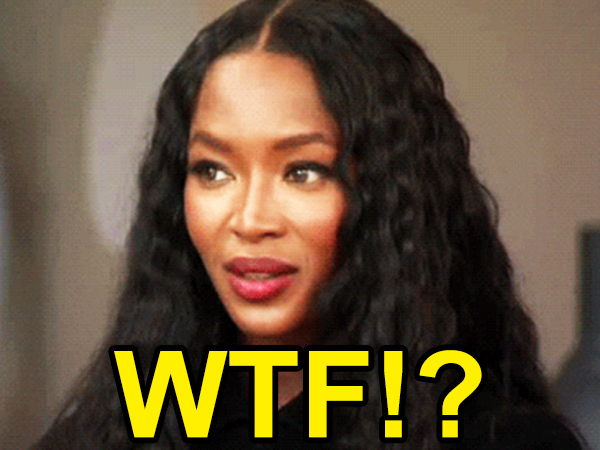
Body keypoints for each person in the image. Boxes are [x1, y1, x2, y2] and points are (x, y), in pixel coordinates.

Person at [33, 0, 585, 449]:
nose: (250, 221)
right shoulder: (119, 426)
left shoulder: (498, 437)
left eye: (303, 171)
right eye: (213, 170)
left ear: (389, 194)